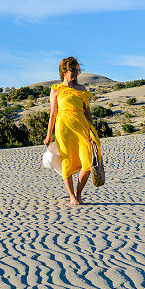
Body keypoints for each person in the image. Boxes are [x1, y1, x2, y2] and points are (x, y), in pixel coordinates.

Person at [43, 57, 101, 206]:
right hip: (64, 129)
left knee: (87, 163)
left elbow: (88, 113)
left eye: (76, 69)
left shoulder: (81, 89)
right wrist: (49, 135)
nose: (75, 72)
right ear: (64, 71)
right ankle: (72, 196)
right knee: (66, 162)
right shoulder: (56, 89)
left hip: (82, 127)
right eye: (72, 69)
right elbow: (53, 114)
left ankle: (79, 193)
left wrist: (92, 131)